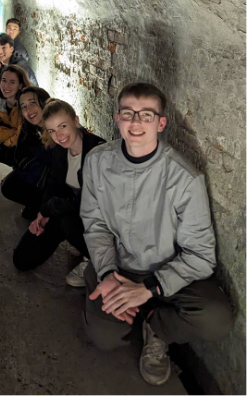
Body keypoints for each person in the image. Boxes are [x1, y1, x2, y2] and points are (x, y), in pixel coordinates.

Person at [80, 83, 233, 387]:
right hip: (119, 267)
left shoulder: (184, 177)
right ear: (117, 118)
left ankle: (157, 326)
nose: (136, 122)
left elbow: (201, 257)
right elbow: (94, 223)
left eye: (146, 115)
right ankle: (116, 295)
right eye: (128, 113)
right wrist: (108, 272)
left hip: (167, 272)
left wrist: (151, 287)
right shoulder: (97, 161)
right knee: (104, 337)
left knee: (217, 318)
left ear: (161, 123)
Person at [13, 99, 105, 285]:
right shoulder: (61, 151)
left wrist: (50, 209)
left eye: (63, 126)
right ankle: (78, 241)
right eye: (52, 131)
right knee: (22, 259)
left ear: (76, 121)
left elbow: (90, 200)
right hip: (67, 210)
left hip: (99, 220)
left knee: (67, 221)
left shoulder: (98, 151)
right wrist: (42, 214)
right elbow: (53, 183)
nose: (59, 135)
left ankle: (96, 261)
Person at [0, 87, 53, 220]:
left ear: (44, 102)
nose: (28, 110)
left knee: (10, 185)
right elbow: (19, 154)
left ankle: (47, 210)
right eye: (23, 106)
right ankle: (37, 205)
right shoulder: (29, 128)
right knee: (9, 184)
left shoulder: (56, 127)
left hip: (54, 183)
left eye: (33, 103)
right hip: (36, 174)